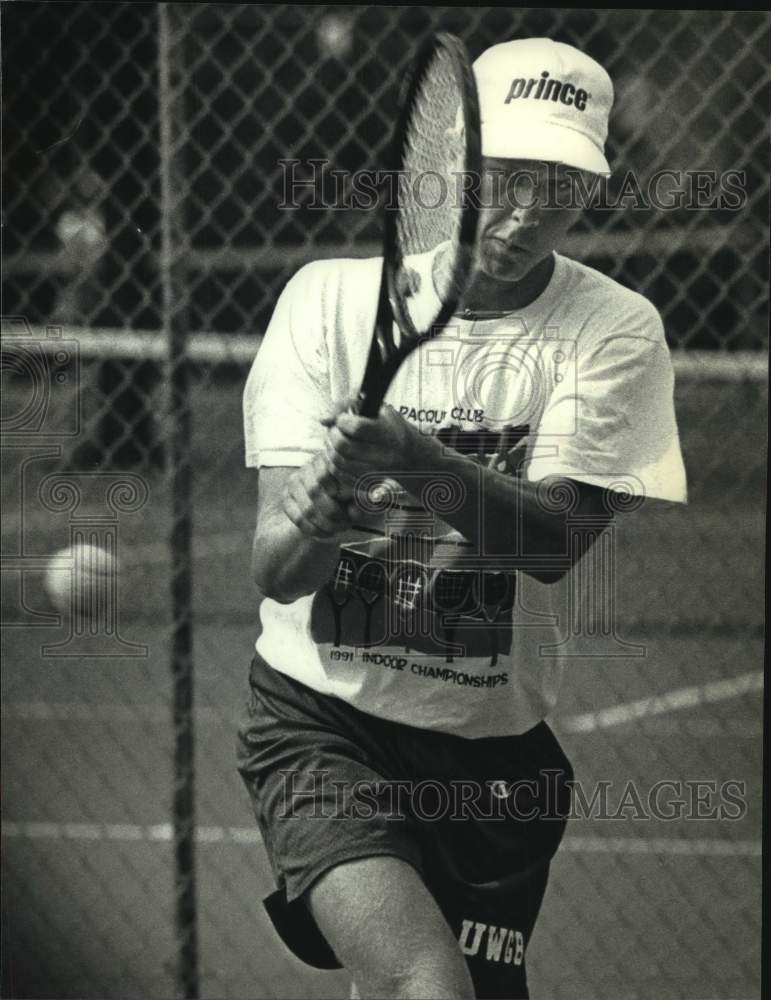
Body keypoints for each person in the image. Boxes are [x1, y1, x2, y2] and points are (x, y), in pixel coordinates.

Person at [237, 37, 687, 1000]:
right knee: (425, 983)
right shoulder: (327, 302)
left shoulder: (612, 329)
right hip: (321, 723)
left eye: (558, 186)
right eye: (506, 177)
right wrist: (319, 509)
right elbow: (277, 572)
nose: (525, 214)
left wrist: (415, 460)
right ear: (450, 166)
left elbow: (553, 543)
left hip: (492, 751)